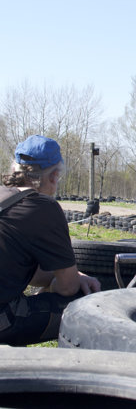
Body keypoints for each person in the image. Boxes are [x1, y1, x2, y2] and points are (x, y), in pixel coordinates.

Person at [0, 135, 101, 346]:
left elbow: (22, 270)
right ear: (54, 176)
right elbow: (67, 287)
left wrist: (64, 278)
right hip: (3, 321)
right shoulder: (44, 208)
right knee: (83, 305)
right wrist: (68, 280)